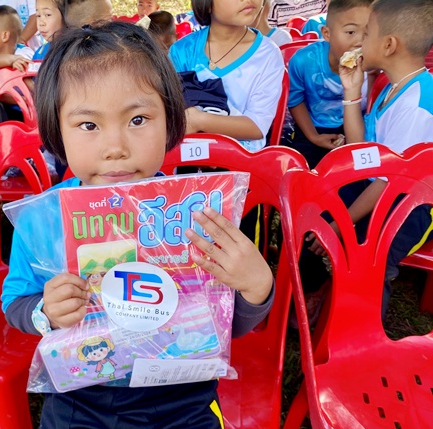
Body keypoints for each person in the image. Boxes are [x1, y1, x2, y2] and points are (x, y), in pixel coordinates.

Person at [1, 22, 274, 429]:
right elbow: (15, 302)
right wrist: (44, 312)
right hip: (79, 397)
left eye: (138, 120)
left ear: (171, 120)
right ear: (56, 131)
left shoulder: (196, 213)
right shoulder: (43, 218)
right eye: (88, 125)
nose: (115, 148)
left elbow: (229, 323)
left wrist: (255, 287)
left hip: (178, 398)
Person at [310, 0, 433, 319]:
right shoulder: (391, 87)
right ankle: (320, 287)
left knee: (372, 254)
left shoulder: (416, 105)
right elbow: (360, 152)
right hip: (380, 186)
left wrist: (341, 225)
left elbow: (388, 183)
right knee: (316, 205)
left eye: (366, 34)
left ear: (389, 45)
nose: (358, 42)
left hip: (413, 205)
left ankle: (359, 327)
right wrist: (351, 92)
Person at [168, 0, 285, 153]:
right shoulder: (182, 51)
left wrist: (198, 121)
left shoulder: (268, 55)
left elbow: (257, 126)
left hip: (242, 160)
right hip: (186, 160)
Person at [287, 0, 371, 169]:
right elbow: (295, 100)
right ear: (327, 34)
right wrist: (314, 137)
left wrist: (373, 75)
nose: (360, 41)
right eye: (350, 32)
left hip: (357, 124)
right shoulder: (303, 61)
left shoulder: (373, 63)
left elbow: (371, 105)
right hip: (312, 127)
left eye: (368, 33)